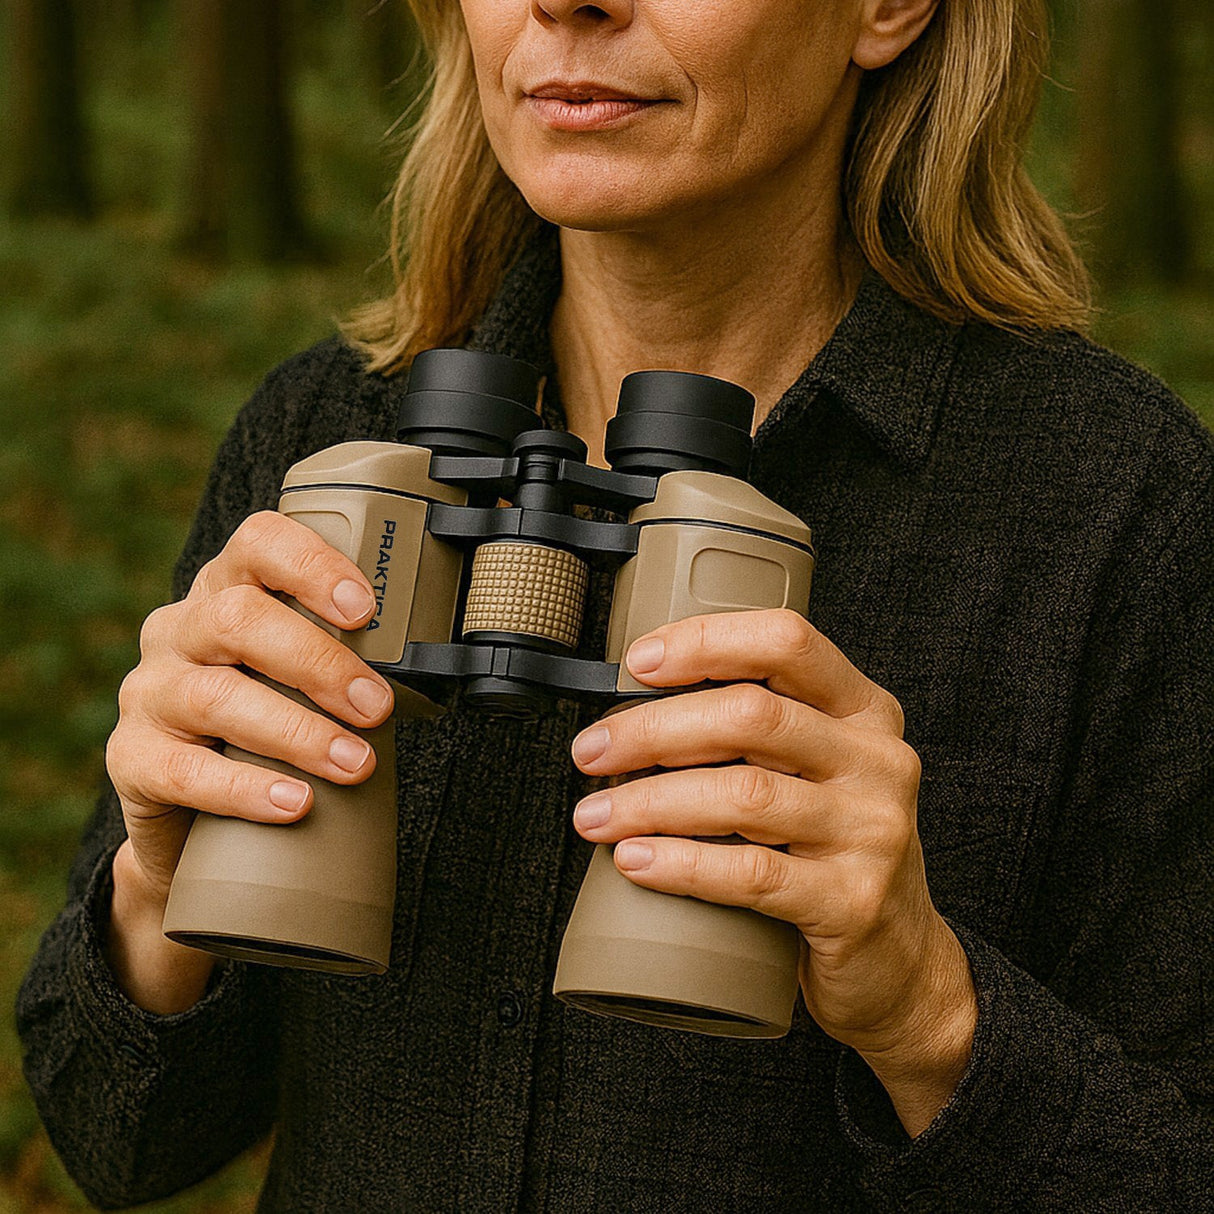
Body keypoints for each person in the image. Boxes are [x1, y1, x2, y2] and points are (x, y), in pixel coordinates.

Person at [17, 0, 1213, 1209]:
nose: (565, 2)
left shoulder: (1110, 507)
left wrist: (924, 1011)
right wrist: (160, 895)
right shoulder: (326, 434)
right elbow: (120, 1137)